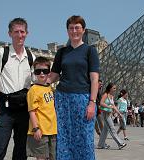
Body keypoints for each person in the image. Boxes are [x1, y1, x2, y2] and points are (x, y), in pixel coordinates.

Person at [48, 15, 99, 160]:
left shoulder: (90, 51)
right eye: (71, 28)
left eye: (77, 27)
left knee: (85, 139)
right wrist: (39, 82)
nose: (74, 31)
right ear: (67, 31)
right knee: (64, 137)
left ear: (83, 30)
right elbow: (54, 75)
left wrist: (92, 102)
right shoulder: (62, 52)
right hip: (62, 98)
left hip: (83, 99)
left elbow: (94, 79)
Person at [0, 18, 35, 160]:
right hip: (4, 107)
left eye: (22, 32)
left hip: (23, 108)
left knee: (22, 148)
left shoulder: (31, 56)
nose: (19, 35)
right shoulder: (2, 53)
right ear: (9, 34)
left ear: (27, 33)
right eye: (16, 32)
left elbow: (35, 84)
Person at [26, 57, 57, 160]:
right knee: (41, 158)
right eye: (38, 71)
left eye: (45, 71)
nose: (42, 74)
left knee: (54, 157)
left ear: (49, 72)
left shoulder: (50, 88)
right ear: (34, 72)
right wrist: (36, 128)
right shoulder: (33, 90)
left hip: (52, 130)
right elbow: (32, 111)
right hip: (41, 131)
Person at [97, 83, 127, 149]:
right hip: (105, 114)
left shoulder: (111, 96)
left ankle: (100, 144)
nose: (115, 89)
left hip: (109, 114)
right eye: (114, 88)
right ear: (110, 88)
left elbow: (113, 106)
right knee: (112, 128)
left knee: (105, 130)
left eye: (115, 88)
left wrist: (119, 113)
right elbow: (101, 103)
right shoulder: (105, 95)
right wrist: (109, 106)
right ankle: (120, 143)